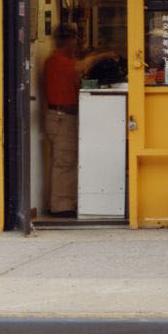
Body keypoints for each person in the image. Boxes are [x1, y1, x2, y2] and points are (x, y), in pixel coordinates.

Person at [41, 24, 115, 216]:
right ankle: (61, 207)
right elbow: (81, 66)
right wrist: (105, 55)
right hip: (61, 118)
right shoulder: (57, 60)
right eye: (75, 40)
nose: (77, 44)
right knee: (65, 162)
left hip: (62, 117)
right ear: (67, 40)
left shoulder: (59, 59)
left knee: (66, 161)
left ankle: (65, 203)